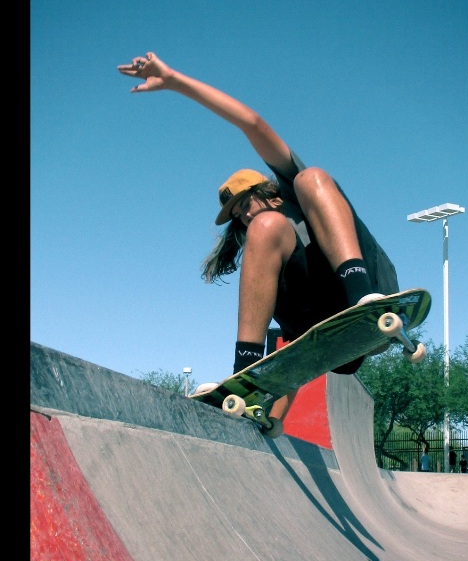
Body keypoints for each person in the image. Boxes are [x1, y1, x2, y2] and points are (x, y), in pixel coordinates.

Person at [117, 51, 399, 424]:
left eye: (246, 203)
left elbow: (251, 123)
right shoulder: (269, 248)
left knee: (311, 177)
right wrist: (273, 417)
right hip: (324, 328)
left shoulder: (291, 192)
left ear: (269, 191)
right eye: (238, 216)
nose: (247, 216)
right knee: (268, 232)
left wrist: (174, 81)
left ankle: (361, 293)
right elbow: (296, 356)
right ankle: (243, 376)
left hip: (366, 289)